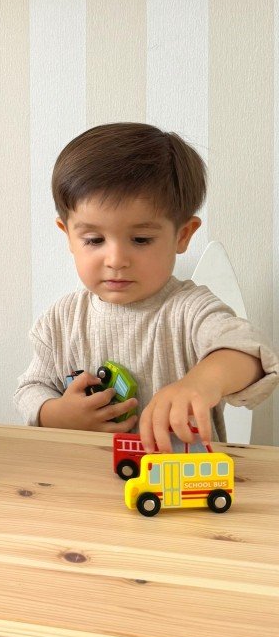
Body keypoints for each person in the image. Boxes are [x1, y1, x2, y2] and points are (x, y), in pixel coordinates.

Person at [14, 122, 279, 453]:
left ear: (182, 235)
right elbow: (31, 387)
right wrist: (55, 414)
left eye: (140, 239)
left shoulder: (190, 309)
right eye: (94, 239)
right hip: (80, 482)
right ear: (68, 235)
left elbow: (250, 353)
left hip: (176, 482)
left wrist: (200, 383)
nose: (116, 259)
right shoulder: (61, 320)